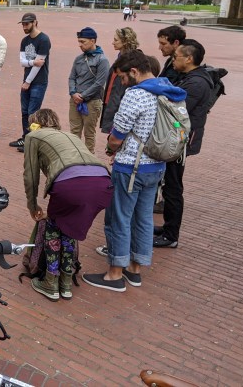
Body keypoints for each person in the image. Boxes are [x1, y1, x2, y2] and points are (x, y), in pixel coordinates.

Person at [82, 50, 185, 292]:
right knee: (144, 218)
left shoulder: (136, 94)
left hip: (131, 166)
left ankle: (115, 273)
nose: (121, 82)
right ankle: (135, 269)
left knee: (120, 218)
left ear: (135, 72)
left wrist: (110, 147)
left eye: (122, 77)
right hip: (157, 165)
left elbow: (118, 136)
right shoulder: (170, 91)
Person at [23, 109, 113, 301]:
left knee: (54, 228)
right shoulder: (70, 135)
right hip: (102, 182)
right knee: (69, 229)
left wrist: (33, 206)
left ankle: (50, 281)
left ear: (35, 123)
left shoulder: (34, 135)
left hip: (71, 184)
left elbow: (31, 175)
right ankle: (65, 283)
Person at [153, 39, 212, 249]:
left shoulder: (197, 83)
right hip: (179, 139)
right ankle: (168, 227)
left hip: (181, 142)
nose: (172, 60)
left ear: (189, 58)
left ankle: (171, 235)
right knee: (170, 185)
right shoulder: (190, 78)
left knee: (173, 187)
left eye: (175, 56)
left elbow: (178, 111)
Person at [10, 13, 51, 152]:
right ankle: (25, 137)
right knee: (24, 111)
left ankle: (32, 141)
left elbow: (39, 66)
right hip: (26, 80)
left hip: (38, 81)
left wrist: (27, 82)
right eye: (22, 24)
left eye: (27, 24)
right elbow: (23, 62)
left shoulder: (44, 40)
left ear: (35, 22)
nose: (24, 26)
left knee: (33, 112)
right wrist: (32, 62)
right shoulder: (24, 41)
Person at [67, 27, 110, 153]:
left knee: (89, 133)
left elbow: (99, 83)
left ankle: (88, 159)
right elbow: (72, 77)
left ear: (93, 41)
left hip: (91, 102)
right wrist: (73, 93)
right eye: (79, 41)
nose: (80, 45)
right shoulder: (79, 59)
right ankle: (74, 157)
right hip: (75, 100)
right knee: (74, 131)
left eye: (83, 42)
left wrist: (83, 96)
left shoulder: (102, 60)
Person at [100, 27, 140, 134]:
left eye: (116, 40)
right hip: (113, 102)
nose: (113, 42)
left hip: (121, 105)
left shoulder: (132, 60)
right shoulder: (121, 57)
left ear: (125, 41)